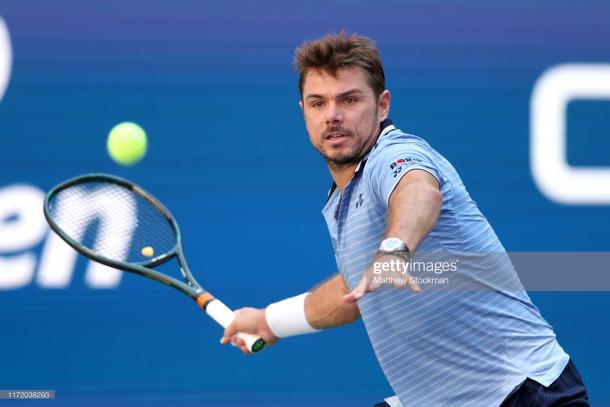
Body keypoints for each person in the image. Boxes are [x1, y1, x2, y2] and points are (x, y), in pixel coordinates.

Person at [220, 32, 589, 406]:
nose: (332, 115)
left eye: (349, 100)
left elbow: (419, 192)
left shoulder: (394, 155)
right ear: (304, 111)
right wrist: (272, 320)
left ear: (382, 106)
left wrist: (395, 249)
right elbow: (355, 292)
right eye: (318, 103)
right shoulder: (341, 200)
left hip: (522, 393)